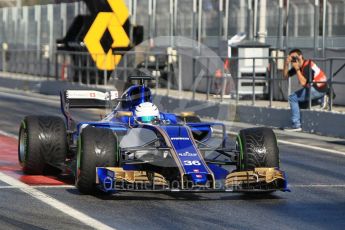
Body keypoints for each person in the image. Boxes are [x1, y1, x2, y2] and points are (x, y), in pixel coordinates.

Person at [283, 49, 328, 131]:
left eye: (295, 57)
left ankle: (296, 125)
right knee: (299, 104)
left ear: (300, 56)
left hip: (319, 88)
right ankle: (320, 101)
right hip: (320, 88)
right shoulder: (299, 65)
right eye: (292, 58)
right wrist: (286, 64)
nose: (293, 59)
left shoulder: (307, 65)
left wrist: (297, 69)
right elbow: (285, 76)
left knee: (292, 97)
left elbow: (303, 83)